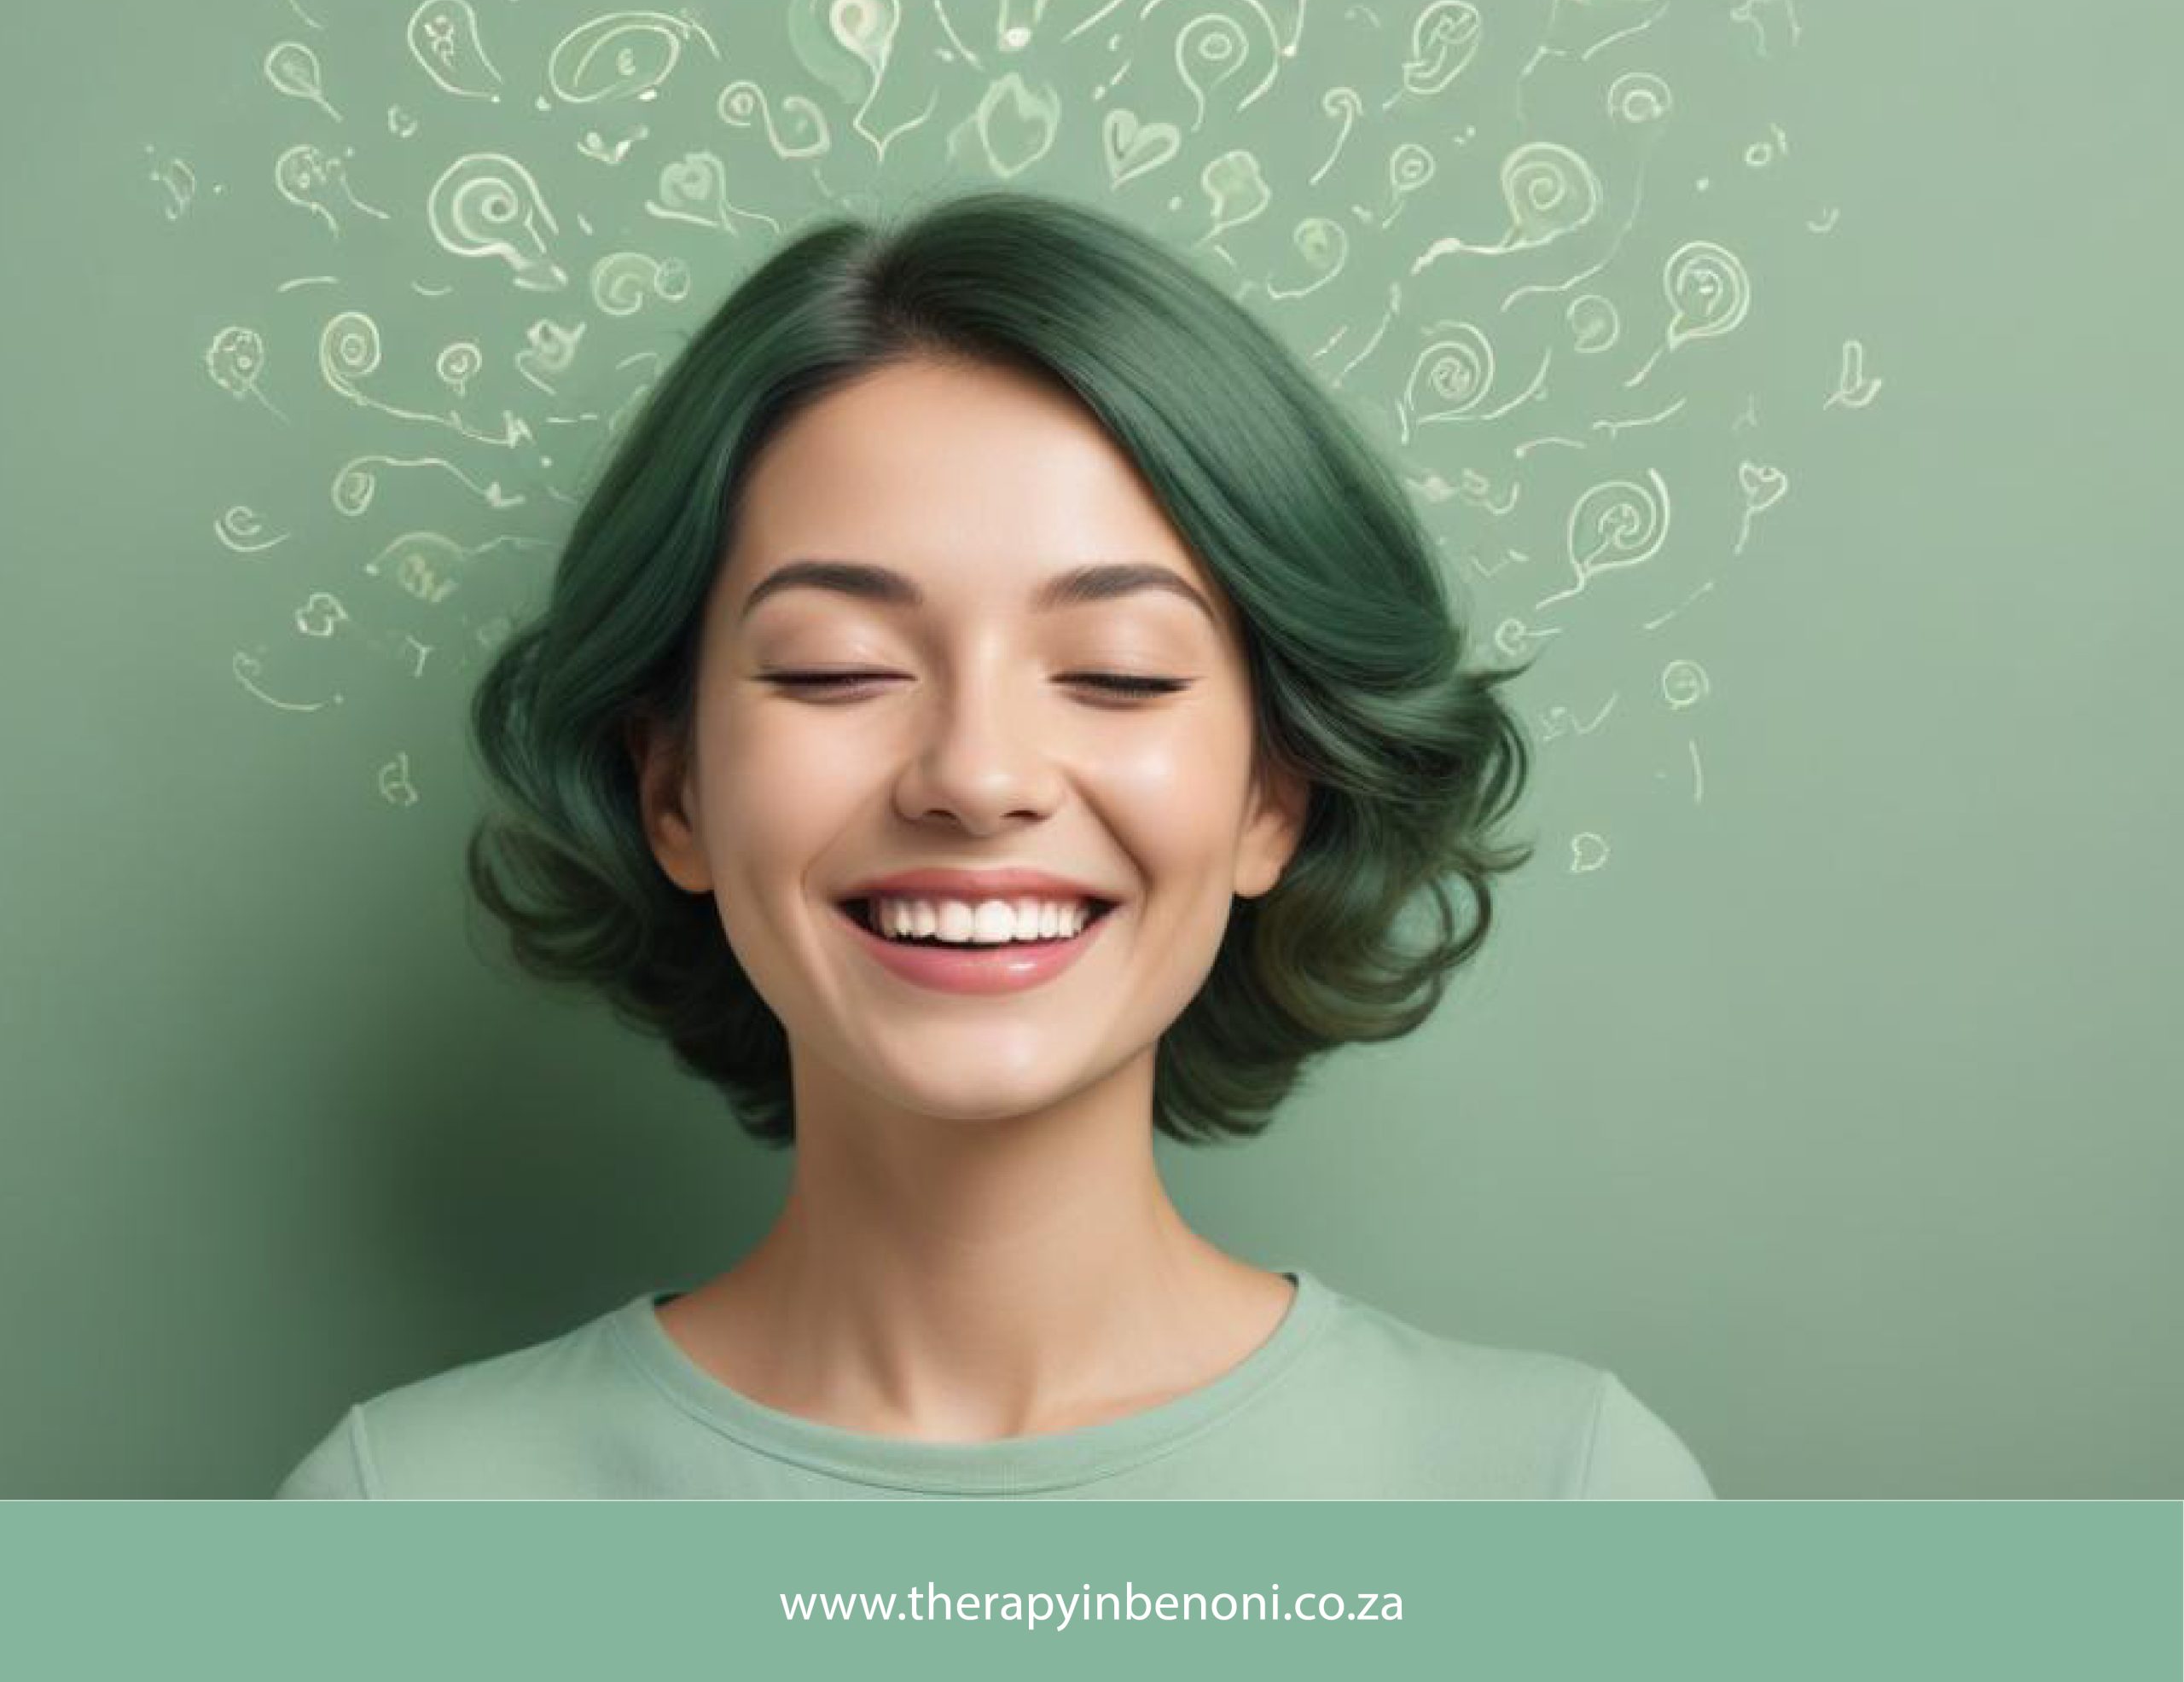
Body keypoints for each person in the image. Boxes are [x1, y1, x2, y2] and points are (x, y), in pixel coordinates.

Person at [276, 189, 1713, 1499]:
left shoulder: (1564, 1500)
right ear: (675, 793)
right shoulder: (398, 1518)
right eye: (837, 667)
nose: (976, 776)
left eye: (1122, 671)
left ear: (1277, 797)